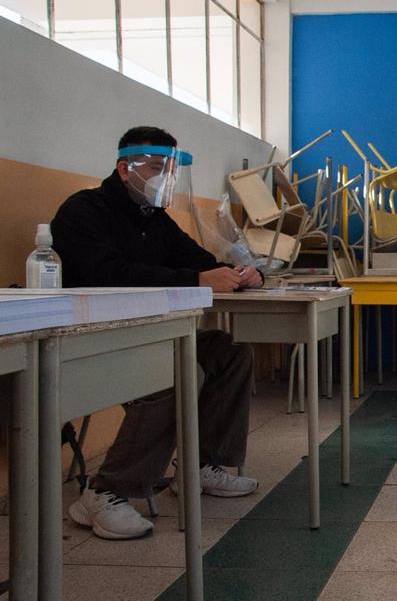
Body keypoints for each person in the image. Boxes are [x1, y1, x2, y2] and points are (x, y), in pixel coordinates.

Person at [51, 125, 263, 540]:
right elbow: (104, 273)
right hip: (93, 339)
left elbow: (200, 261)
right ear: (124, 168)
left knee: (228, 352)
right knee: (171, 371)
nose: (163, 176)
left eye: (168, 167)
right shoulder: (84, 210)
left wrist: (243, 273)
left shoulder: (157, 220)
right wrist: (194, 279)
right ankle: (104, 491)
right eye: (154, 167)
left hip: (148, 335)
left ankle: (200, 465)